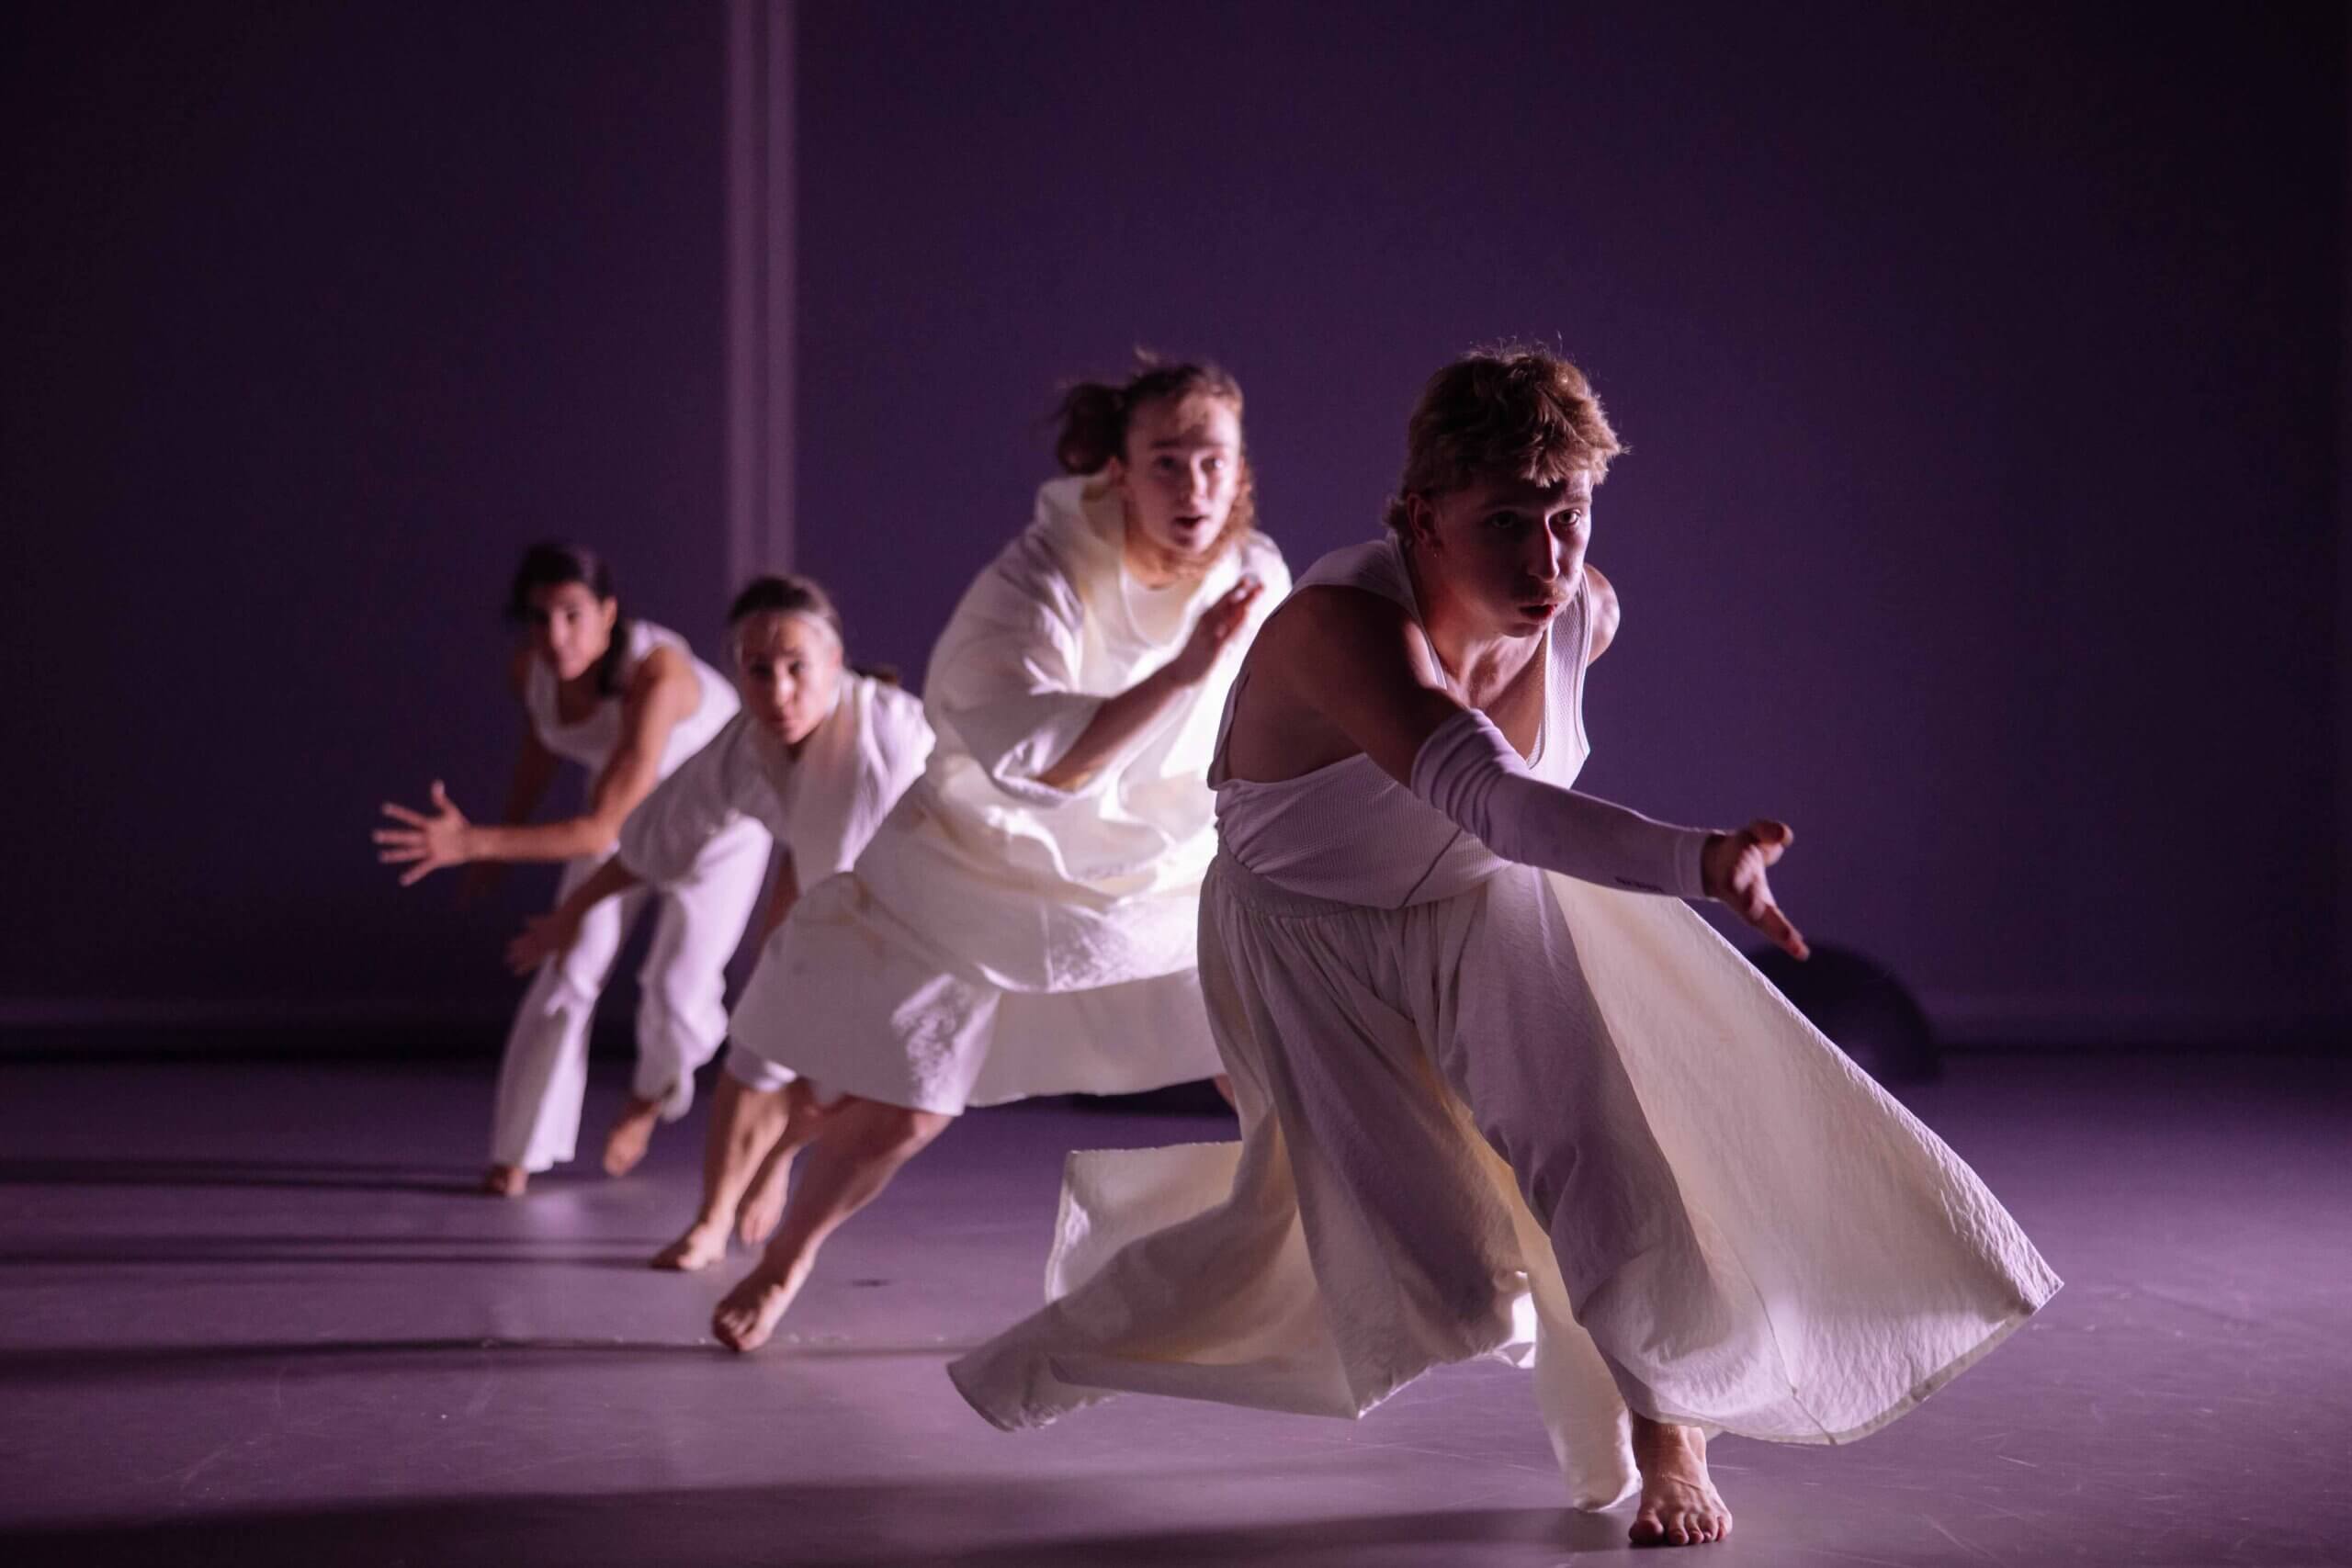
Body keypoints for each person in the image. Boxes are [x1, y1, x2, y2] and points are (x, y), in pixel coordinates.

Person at [948, 347, 2060, 1550]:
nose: (1546, 560)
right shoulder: (1336, 625)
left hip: (1489, 903)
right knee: (1442, 1280)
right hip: (1306, 943)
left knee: (1602, 1152)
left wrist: (1688, 863)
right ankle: (1079, 1335)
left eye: (1567, 516)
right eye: (1505, 524)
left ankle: (1670, 1427)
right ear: (1423, 517)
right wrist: (1698, 859)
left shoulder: (1585, 610)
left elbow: (1504, 833)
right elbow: (1491, 798)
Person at [705, 356, 1292, 1352]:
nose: (1192, 487)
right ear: (1118, 471)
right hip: (987, 867)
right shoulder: (1033, 579)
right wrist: (1184, 669)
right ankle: (786, 1255)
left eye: (1212, 462)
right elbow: (1047, 765)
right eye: (1165, 461)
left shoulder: (1256, 576)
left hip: (1156, 873)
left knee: (1259, 1065)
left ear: (1240, 471)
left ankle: (1320, 1264)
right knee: (908, 1106)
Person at [504, 574, 933, 1269]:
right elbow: (654, 838)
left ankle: (780, 1173)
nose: (779, 691)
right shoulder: (746, 744)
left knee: (860, 1076)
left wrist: (781, 1152)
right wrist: (571, 914)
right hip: (828, 890)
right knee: (758, 1035)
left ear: (835, 662)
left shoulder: (879, 746)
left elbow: (850, 921)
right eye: (758, 670)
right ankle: (711, 1220)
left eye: (797, 668)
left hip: (926, 916)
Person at [376, 543, 756, 1196]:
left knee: (677, 993)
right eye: (539, 617)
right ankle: (518, 1151)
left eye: (573, 615)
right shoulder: (533, 669)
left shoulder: (658, 675)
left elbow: (604, 828)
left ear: (608, 613)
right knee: (569, 964)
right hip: (624, 814)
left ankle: (648, 1097)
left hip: (717, 832)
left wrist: (476, 844)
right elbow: (541, 746)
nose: (556, 636)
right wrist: (498, 838)